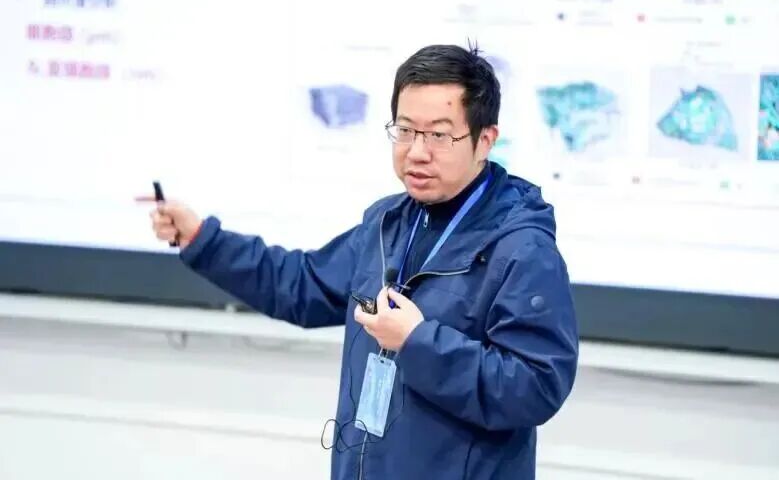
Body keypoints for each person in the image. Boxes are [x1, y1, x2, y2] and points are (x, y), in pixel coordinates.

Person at [145, 44, 579, 479]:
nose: (417, 151)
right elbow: (301, 285)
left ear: (485, 140)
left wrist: (417, 343)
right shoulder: (387, 223)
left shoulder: (522, 248)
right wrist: (202, 240)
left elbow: (536, 386)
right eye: (405, 130)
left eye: (438, 135)